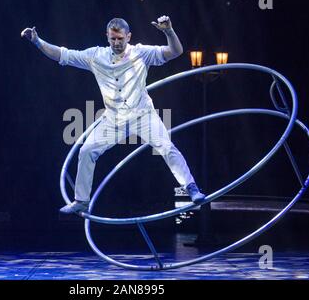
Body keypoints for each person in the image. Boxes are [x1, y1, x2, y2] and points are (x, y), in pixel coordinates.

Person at [21, 15, 205, 214]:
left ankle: (191, 187)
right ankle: (81, 200)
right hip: (113, 120)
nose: (117, 43)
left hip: (143, 115)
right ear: (107, 37)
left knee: (167, 148)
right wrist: (37, 41)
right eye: (113, 39)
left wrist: (168, 31)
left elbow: (175, 52)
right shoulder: (95, 56)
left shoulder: (142, 53)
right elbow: (62, 55)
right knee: (86, 150)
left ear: (129, 37)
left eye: (120, 39)